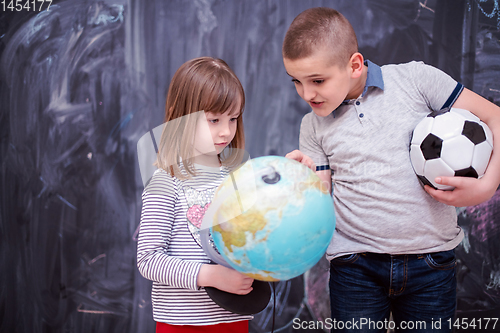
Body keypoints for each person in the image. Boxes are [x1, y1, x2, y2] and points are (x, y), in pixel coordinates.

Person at [282, 7, 500, 332]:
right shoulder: (312, 126)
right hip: (355, 266)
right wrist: (301, 183)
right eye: (296, 82)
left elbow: (495, 116)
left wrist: (485, 187)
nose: (306, 93)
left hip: (431, 262)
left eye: (317, 80)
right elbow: (320, 197)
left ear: (354, 65)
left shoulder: (416, 79)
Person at [137, 57, 254, 333]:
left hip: (234, 320)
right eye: (214, 120)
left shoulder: (239, 178)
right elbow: (148, 259)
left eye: (233, 118)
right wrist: (210, 276)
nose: (226, 131)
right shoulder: (166, 182)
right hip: (182, 324)